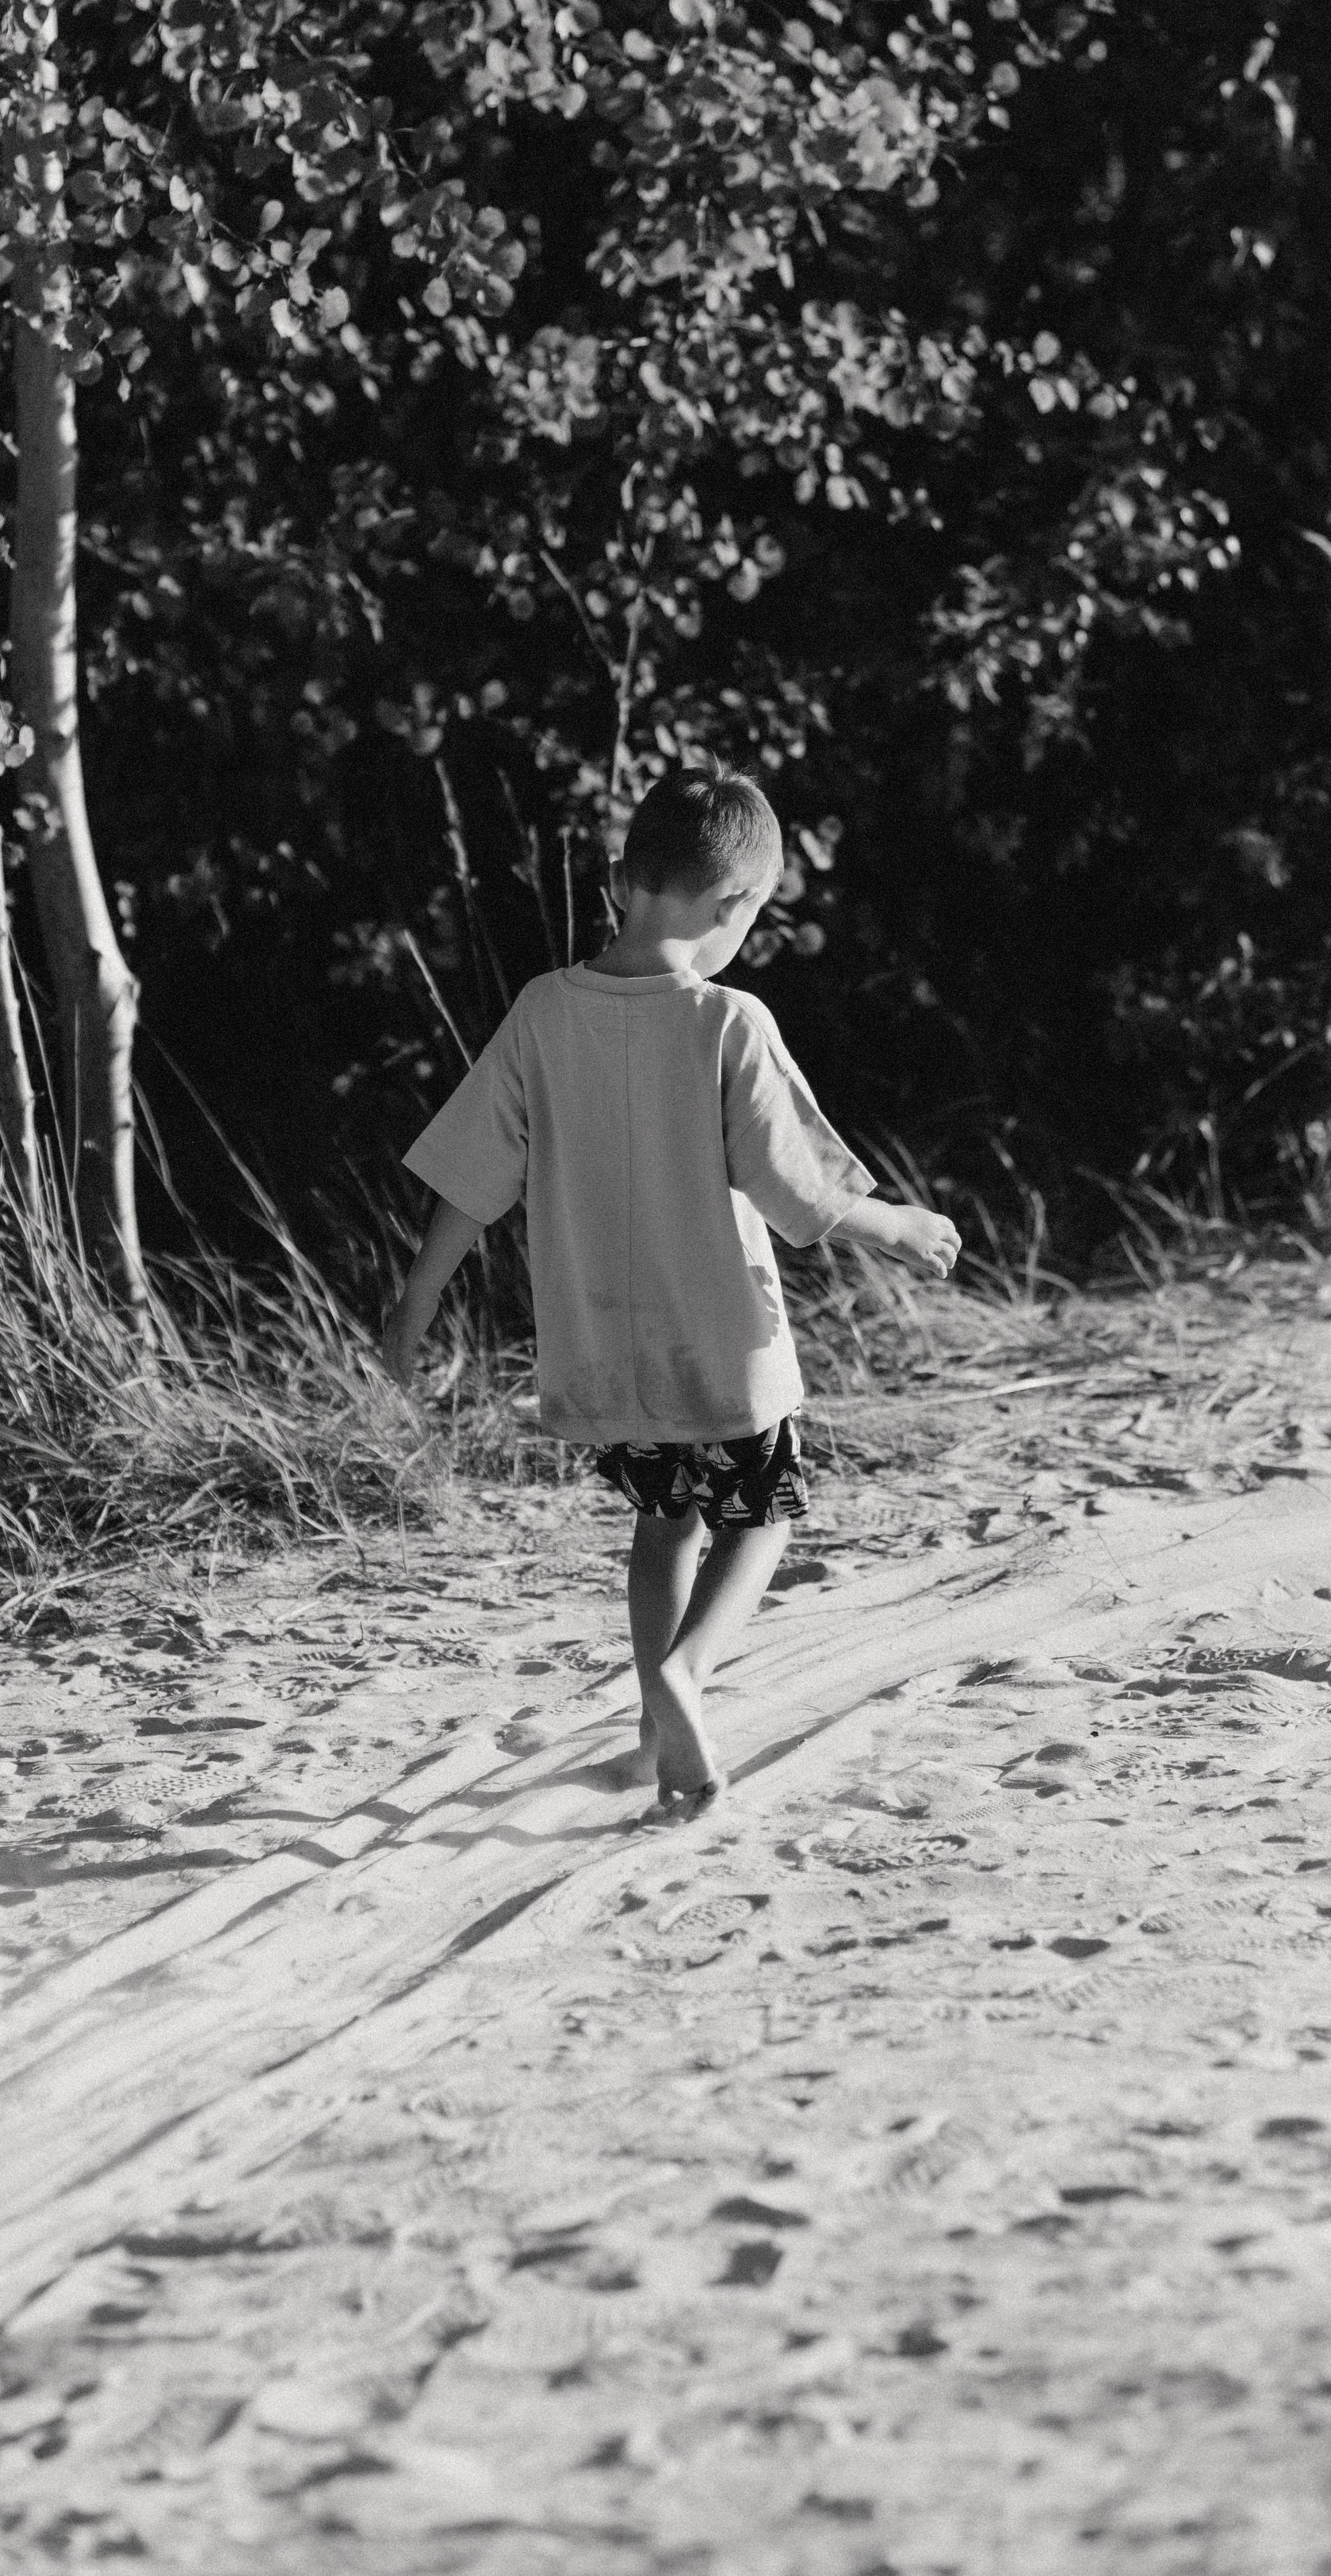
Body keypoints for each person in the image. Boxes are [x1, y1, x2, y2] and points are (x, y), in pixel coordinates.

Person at [380, 766, 960, 1815]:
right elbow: (799, 1195)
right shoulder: (728, 1024)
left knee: (665, 1524)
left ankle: (655, 1739)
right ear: (737, 906)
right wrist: (902, 1223)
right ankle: (686, 1678)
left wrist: (416, 1305)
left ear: (617, 878)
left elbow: (473, 1179)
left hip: (605, 1357)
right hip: (722, 1350)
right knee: (762, 1520)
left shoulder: (543, 1014)